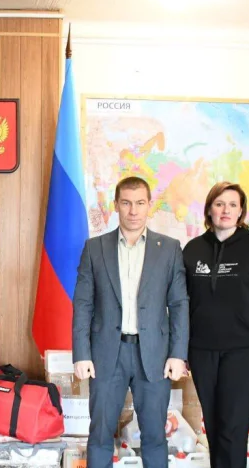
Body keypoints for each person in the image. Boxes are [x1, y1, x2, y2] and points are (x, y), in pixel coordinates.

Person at [72, 176, 190, 468]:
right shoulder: (95, 248)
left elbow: (178, 304)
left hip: (154, 355)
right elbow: (83, 304)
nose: (133, 211)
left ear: (149, 205)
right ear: (116, 205)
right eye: (126, 203)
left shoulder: (169, 248)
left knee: (155, 435)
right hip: (106, 354)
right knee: (100, 433)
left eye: (139, 203)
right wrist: (82, 354)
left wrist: (178, 354)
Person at [182, 182, 249, 468]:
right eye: (219, 204)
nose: (225, 210)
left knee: (233, 426)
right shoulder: (193, 250)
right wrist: (180, 349)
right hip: (202, 351)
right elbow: (181, 304)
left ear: (241, 211)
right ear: (209, 210)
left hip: (245, 351)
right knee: (213, 427)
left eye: (232, 205)